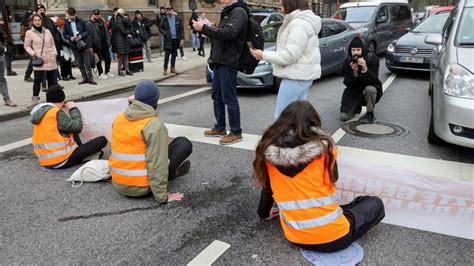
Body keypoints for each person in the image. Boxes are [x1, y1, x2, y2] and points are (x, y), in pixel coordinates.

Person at [254, 101, 385, 253]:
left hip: (295, 237)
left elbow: (267, 190)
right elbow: (333, 178)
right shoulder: (324, 150)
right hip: (336, 237)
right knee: (373, 203)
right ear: (313, 124)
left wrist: (263, 213)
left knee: (352, 206)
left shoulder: (267, 156)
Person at [110, 80, 192, 203]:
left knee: (161, 146)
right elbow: (156, 163)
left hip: (119, 184)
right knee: (183, 143)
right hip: (142, 188)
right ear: (156, 100)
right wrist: (162, 197)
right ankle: (171, 175)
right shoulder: (154, 125)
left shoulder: (119, 118)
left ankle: (170, 173)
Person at [250, 0, 321, 119]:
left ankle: (284, 138)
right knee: (298, 117)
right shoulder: (303, 22)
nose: (281, 8)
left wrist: (263, 55)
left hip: (295, 76)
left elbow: (289, 56)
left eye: (283, 4)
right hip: (302, 75)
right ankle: (298, 137)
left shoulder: (298, 24)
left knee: (282, 117)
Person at [193, 0, 248, 145]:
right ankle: (220, 127)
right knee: (216, 95)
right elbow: (222, 33)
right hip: (219, 60)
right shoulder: (229, 11)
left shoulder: (239, 12)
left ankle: (236, 132)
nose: (219, 1)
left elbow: (229, 34)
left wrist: (205, 28)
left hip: (228, 62)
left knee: (229, 98)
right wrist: (210, 28)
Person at [31, 85, 108, 170]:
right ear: (62, 100)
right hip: (61, 160)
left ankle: (83, 153)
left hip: (45, 161)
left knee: (70, 129)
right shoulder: (55, 112)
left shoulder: (40, 112)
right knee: (102, 140)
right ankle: (85, 155)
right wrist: (73, 109)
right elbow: (77, 127)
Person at [340, 37, 382, 123]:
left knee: (370, 89)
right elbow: (347, 83)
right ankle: (356, 107)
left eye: (358, 50)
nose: (356, 52)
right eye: (353, 50)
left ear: (362, 50)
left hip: (368, 89)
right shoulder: (348, 61)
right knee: (344, 116)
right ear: (350, 51)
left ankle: (370, 113)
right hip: (354, 91)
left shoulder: (373, 59)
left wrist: (365, 68)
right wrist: (354, 73)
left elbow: (374, 81)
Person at [24, 14, 59, 109]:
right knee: (37, 80)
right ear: (32, 21)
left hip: (51, 59)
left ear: (41, 21)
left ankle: (51, 99)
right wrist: (34, 54)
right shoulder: (29, 33)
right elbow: (26, 46)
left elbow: (52, 43)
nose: (37, 22)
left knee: (52, 80)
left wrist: (55, 53)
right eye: (35, 20)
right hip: (40, 60)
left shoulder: (47, 31)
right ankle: (35, 99)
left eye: (39, 20)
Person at [64, 7, 97, 85]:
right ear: (68, 15)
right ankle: (84, 78)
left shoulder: (81, 21)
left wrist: (81, 36)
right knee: (80, 63)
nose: (72, 17)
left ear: (75, 14)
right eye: (70, 15)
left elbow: (87, 32)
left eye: (73, 15)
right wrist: (70, 38)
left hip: (83, 44)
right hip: (74, 46)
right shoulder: (66, 24)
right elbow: (65, 34)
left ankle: (90, 78)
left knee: (87, 62)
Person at [159, 6, 184, 75]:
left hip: (176, 39)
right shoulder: (164, 19)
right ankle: (165, 68)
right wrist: (165, 34)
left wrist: (182, 39)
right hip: (168, 40)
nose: (169, 11)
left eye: (170, 10)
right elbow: (160, 28)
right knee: (167, 55)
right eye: (168, 10)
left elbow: (181, 30)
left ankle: (172, 68)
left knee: (174, 54)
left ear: (173, 11)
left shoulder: (177, 19)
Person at [89, 9, 113, 79]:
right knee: (98, 60)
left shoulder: (102, 21)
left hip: (105, 43)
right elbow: (90, 35)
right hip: (97, 45)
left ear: (100, 14)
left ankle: (107, 71)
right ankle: (100, 73)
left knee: (108, 58)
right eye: (95, 14)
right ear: (93, 15)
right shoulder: (91, 23)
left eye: (98, 14)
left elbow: (108, 29)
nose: (96, 16)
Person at [111, 9, 133, 76]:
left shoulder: (121, 20)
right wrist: (129, 32)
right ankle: (119, 70)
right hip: (119, 40)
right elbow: (123, 31)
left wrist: (126, 20)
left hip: (123, 40)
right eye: (123, 14)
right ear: (120, 14)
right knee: (121, 56)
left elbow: (129, 25)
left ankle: (127, 70)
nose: (124, 15)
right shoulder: (118, 21)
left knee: (126, 55)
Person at [0, 27, 17, 107]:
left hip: (0, 56)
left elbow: (4, 38)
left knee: (2, 79)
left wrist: (2, 47)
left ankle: (7, 99)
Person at [57, 16, 75, 81]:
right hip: (62, 49)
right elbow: (60, 41)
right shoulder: (58, 32)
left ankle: (70, 74)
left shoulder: (64, 31)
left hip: (67, 49)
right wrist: (68, 44)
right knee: (63, 63)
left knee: (68, 62)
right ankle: (64, 75)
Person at [21, 11, 35, 82]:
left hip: (35, 45)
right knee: (32, 61)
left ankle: (28, 75)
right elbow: (22, 36)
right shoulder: (25, 25)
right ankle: (27, 76)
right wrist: (29, 40)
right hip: (30, 46)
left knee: (33, 61)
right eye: (31, 15)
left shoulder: (32, 24)